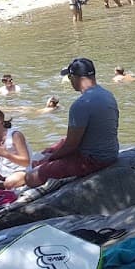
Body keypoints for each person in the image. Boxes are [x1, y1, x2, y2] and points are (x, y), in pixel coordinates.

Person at [22, 57, 119, 188]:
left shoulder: (81, 104)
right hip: (111, 152)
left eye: (69, 77)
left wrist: (50, 159)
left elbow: (71, 146)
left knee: (30, 177)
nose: (69, 80)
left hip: (93, 160)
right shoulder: (108, 95)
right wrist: (53, 151)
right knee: (55, 146)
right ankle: (46, 156)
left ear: (75, 77)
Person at [0, 107, 30, 189]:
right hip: (2, 170)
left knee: (9, 183)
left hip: (20, 170)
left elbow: (26, 162)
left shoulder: (15, 135)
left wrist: (5, 154)